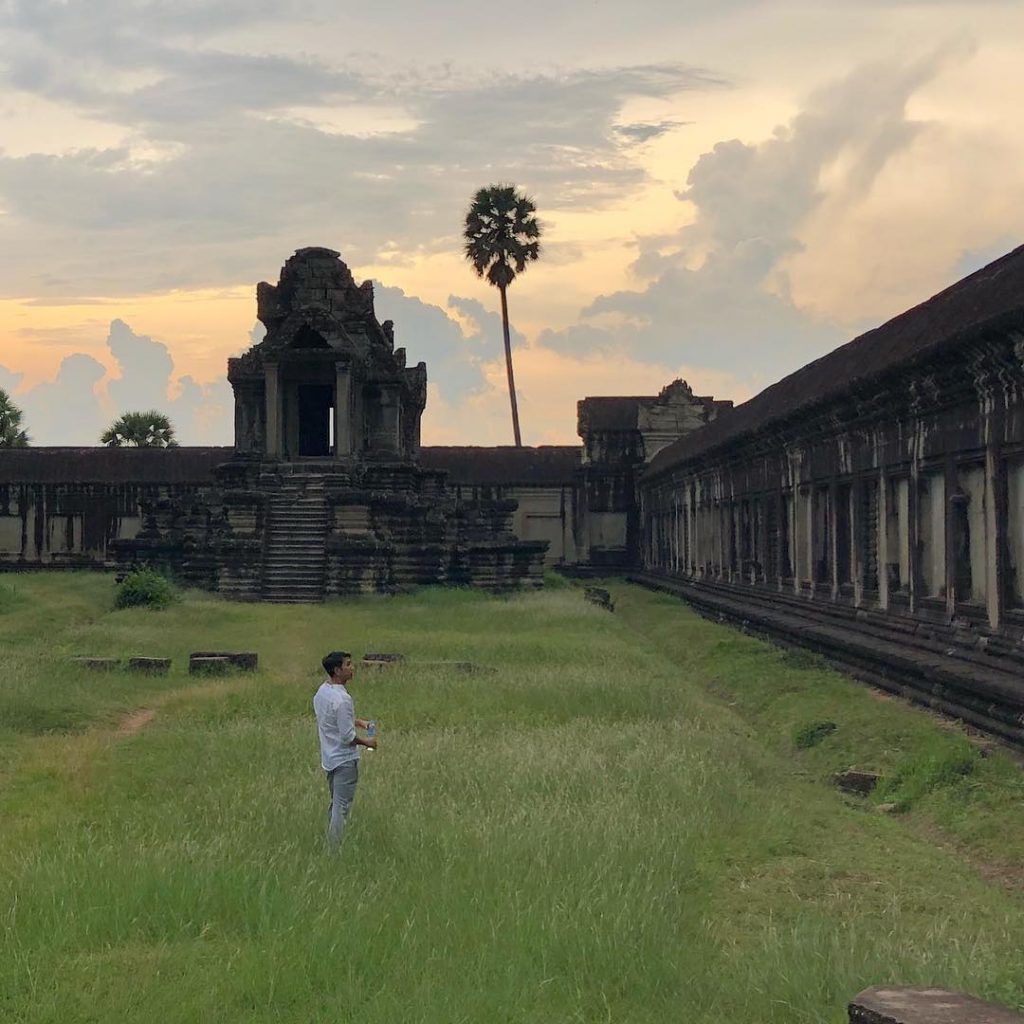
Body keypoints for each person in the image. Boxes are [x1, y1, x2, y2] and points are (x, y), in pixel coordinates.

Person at [313, 650, 376, 849]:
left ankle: (330, 841)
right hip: (344, 761)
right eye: (348, 665)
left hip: (329, 759)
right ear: (337, 670)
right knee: (341, 808)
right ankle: (333, 850)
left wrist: (358, 722)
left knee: (335, 803)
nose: (352, 668)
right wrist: (367, 743)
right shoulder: (343, 700)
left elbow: (332, 719)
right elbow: (348, 737)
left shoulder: (322, 692)